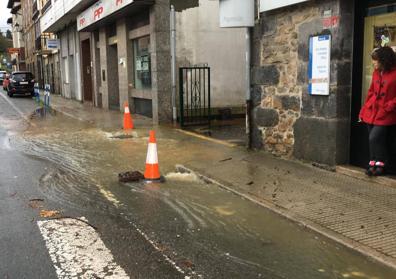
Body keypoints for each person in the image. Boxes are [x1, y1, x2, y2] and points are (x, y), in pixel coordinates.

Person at [359, 46, 396, 176]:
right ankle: (374, 162)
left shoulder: (394, 73)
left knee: (374, 138)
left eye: (376, 60)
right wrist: (363, 110)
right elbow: (371, 92)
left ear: (384, 60)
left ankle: (381, 163)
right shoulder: (376, 73)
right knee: (374, 139)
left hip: (386, 113)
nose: (373, 63)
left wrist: (390, 105)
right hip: (372, 111)